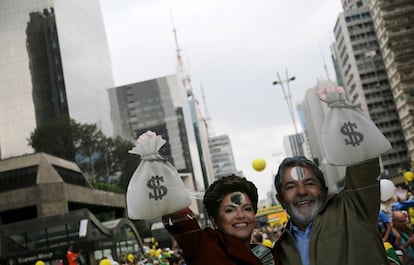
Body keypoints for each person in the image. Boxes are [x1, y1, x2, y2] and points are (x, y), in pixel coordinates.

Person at [273, 156, 388, 265]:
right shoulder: (278, 252)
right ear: (280, 200)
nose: (302, 192)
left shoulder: (354, 208)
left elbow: (362, 154)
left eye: (309, 183)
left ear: (324, 190)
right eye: (291, 186)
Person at [162, 175, 279, 264]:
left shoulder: (270, 254)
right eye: (229, 210)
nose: (240, 215)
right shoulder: (205, 248)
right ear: (214, 220)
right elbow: (177, 214)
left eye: (247, 208)